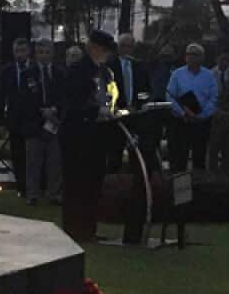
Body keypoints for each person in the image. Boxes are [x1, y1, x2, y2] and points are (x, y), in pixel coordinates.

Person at [60, 30, 117, 241]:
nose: (107, 55)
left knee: (93, 183)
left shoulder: (104, 71)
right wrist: (95, 111)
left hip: (96, 135)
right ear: (94, 48)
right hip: (77, 135)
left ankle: (89, 228)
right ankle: (74, 229)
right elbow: (73, 103)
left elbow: (107, 95)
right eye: (104, 50)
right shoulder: (77, 71)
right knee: (76, 184)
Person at [23, 38, 65, 205]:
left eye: (47, 52)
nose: (44, 56)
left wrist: (54, 110)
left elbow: (65, 96)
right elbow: (24, 99)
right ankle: (32, 194)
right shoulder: (28, 73)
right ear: (35, 54)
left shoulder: (60, 73)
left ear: (52, 53)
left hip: (54, 123)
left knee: (55, 161)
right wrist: (41, 111)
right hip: (34, 123)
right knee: (33, 161)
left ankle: (53, 193)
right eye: (40, 52)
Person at [166, 43, 219, 172]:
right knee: (180, 158)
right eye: (189, 54)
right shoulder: (177, 74)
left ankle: (199, 187)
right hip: (181, 121)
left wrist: (201, 115)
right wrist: (183, 113)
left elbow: (214, 98)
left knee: (199, 158)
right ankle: (179, 189)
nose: (192, 57)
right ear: (185, 57)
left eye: (196, 55)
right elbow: (169, 96)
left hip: (202, 123)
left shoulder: (209, 76)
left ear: (202, 57)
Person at [0, 38, 32, 193]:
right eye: (17, 51)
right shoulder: (7, 72)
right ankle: (21, 187)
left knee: (32, 155)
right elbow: (0, 95)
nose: (20, 54)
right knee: (17, 155)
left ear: (28, 51)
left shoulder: (35, 69)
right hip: (14, 119)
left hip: (32, 119)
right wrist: (0, 119)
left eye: (23, 50)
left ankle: (35, 186)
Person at [106, 33, 143, 171]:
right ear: (118, 47)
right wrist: (118, 109)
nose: (126, 49)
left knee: (136, 157)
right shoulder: (109, 66)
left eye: (129, 46)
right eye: (123, 46)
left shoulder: (140, 66)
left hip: (136, 116)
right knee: (114, 156)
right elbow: (105, 92)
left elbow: (146, 91)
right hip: (115, 119)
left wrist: (138, 105)